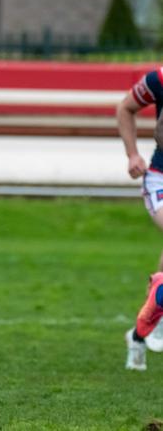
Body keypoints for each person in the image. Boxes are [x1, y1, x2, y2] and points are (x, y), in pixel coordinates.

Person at [117, 66, 163, 370]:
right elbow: (126, 108)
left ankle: (139, 332)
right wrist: (133, 154)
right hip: (160, 178)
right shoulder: (159, 78)